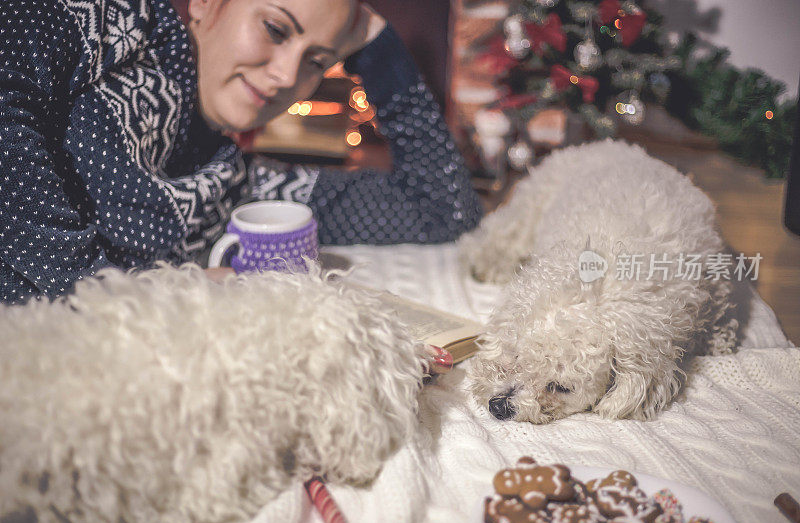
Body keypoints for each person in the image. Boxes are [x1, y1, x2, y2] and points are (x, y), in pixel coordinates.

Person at [0, 0, 483, 304]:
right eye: (275, 29)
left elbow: (441, 209)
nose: (286, 77)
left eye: (317, 61)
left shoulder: (248, 187)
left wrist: (377, 43)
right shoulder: (117, 23)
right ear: (208, 5)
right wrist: (114, 292)